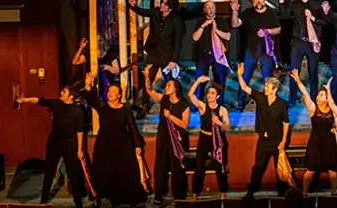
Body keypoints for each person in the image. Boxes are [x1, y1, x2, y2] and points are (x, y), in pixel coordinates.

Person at [81, 73, 148, 206]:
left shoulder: (125, 109)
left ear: (119, 95)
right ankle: (102, 196)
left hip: (122, 144)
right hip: (104, 144)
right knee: (104, 170)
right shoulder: (103, 106)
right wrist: (88, 85)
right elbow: (91, 100)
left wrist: (137, 145)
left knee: (124, 171)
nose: (110, 93)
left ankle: (125, 198)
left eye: (113, 91)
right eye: (109, 91)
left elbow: (132, 127)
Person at [16, 88, 86, 208]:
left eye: (64, 92)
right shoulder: (57, 104)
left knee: (73, 173)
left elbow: (80, 131)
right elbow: (40, 101)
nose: (61, 93)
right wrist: (25, 100)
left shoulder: (77, 111)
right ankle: (44, 200)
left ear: (71, 96)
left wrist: (79, 149)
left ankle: (78, 202)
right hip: (54, 141)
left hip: (69, 142)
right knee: (49, 170)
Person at [237, 63, 290, 199]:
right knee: (258, 166)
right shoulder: (260, 98)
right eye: (265, 86)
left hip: (277, 141)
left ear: (274, 89)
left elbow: (286, 123)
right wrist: (239, 75)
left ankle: (283, 192)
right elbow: (244, 87)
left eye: (267, 86)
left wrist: (283, 141)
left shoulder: (281, 104)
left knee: (280, 168)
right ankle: (252, 191)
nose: (265, 88)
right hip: (263, 140)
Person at [129, 0, 186, 114]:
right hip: (153, 52)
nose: (162, 5)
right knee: (147, 77)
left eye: (165, 4)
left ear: (170, 8)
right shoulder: (156, 13)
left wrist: (173, 60)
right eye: (163, 2)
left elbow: (178, 41)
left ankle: (177, 104)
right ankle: (145, 104)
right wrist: (132, 5)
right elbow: (143, 12)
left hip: (167, 55)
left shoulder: (176, 20)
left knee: (171, 81)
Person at [143, 65, 190, 204]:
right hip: (163, 137)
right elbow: (149, 90)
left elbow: (184, 124)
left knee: (177, 166)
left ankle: (179, 196)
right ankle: (159, 195)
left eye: (169, 85)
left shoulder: (183, 104)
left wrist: (171, 117)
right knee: (161, 165)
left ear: (175, 88)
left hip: (177, 139)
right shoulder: (163, 99)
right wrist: (146, 76)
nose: (166, 87)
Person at [290, 69, 337, 196]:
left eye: (322, 95)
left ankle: (334, 193)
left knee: (332, 170)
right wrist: (297, 80)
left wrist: (336, 129)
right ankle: (304, 193)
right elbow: (305, 94)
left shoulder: (332, 110)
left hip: (329, 142)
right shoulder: (314, 109)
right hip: (316, 142)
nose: (318, 96)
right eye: (318, 94)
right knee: (311, 170)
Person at [278, 0, 327, 106]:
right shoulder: (294, 4)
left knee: (313, 71)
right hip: (297, 42)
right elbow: (283, 16)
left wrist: (312, 18)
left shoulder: (317, 4)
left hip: (312, 43)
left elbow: (325, 23)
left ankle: (313, 98)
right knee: (294, 71)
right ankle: (292, 98)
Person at [231, 0, 282, 112]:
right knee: (245, 77)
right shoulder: (248, 13)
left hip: (266, 52)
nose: (258, 1)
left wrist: (267, 32)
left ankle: (269, 102)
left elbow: (278, 29)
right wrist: (234, 11)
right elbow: (234, 24)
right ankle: (240, 101)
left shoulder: (271, 13)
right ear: (252, 1)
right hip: (251, 50)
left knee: (267, 79)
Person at [187, 76, 231, 200]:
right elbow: (190, 95)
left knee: (219, 166)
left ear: (217, 97)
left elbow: (228, 127)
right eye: (208, 93)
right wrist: (198, 81)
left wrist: (219, 123)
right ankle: (195, 192)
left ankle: (222, 191)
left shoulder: (222, 110)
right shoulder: (203, 106)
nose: (209, 95)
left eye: (213, 93)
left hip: (217, 140)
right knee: (199, 166)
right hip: (204, 138)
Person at [192, 1, 232, 105]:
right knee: (200, 79)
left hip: (217, 54)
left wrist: (216, 30)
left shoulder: (221, 20)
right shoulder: (200, 21)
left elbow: (228, 36)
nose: (211, 9)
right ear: (204, 10)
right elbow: (195, 38)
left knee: (220, 80)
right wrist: (204, 25)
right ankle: (198, 103)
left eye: (213, 7)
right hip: (203, 55)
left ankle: (219, 104)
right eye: (208, 7)